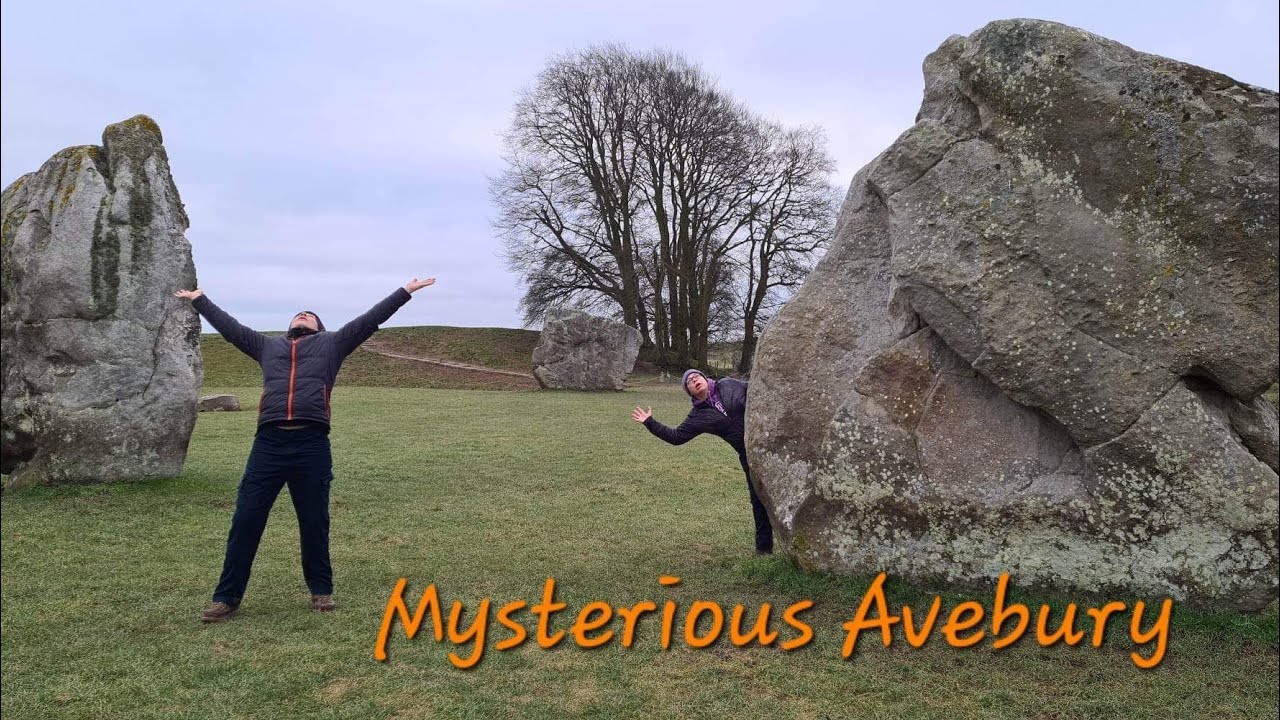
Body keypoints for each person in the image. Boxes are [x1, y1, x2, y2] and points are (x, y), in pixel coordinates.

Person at [176, 277, 435, 622]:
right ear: (290, 326)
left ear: (319, 327)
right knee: (246, 520)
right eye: (299, 313)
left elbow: (370, 319)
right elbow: (231, 329)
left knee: (314, 520)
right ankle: (227, 597)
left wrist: (405, 292)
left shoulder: (333, 344)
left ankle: (320, 591)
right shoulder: (268, 347)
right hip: (268, 445)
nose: (303, 315)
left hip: (311, 444)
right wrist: (200, 300)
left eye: (310, 314)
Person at [631, 369, 774, 554]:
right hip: (748, 455)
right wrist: (650, 422)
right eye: (689, 381)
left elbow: (756, 391)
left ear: (705, 378)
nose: (694, 380)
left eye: (696, 376)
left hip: (772, 443)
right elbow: (676, 437)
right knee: (758, 501)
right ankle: (764, 551)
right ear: (689, 391)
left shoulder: (728, 384)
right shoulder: (698, 416)